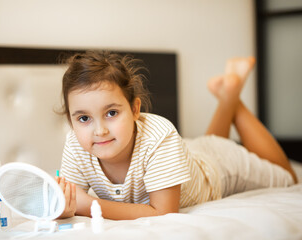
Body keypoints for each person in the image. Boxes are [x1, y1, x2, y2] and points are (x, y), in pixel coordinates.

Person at [55, 51, 297, 220]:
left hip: (218, 169)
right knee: (211, 143)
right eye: (84, 118)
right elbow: (72, 199)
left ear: (135, 109)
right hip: (186, 156)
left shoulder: (160, 137)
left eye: (111, 113)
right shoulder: (76, 143)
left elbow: (163, 213)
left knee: (289, 177)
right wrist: (65, 207)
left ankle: (232, 96)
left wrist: (89, 206)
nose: (99, 131)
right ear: (71, 121)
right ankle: (227, 94)